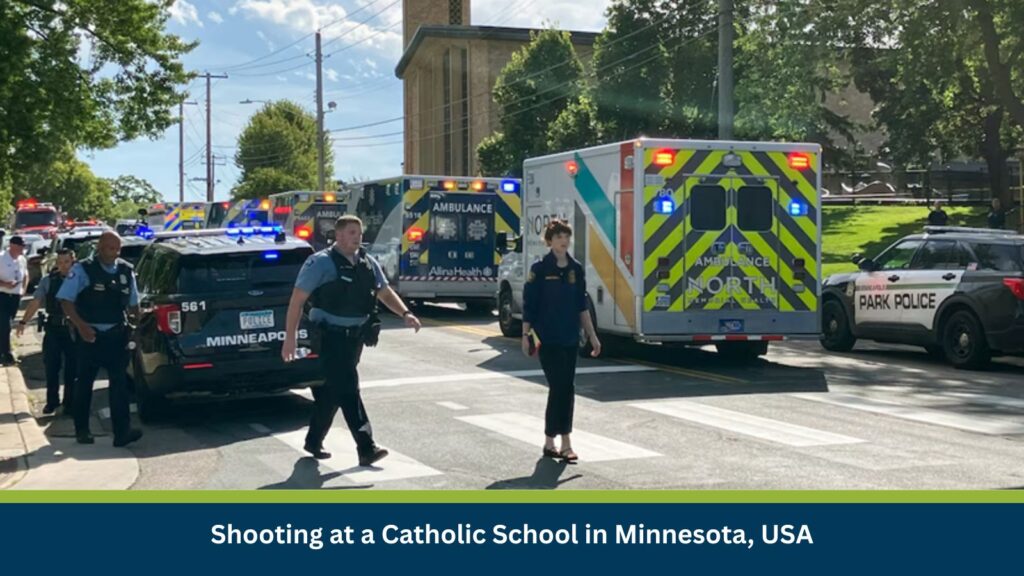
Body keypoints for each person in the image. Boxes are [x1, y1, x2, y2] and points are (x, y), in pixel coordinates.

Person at [282, 215, 422, 465]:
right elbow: (297, 300)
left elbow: (384, 291)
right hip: (330, 336)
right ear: (338, 235)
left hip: (356, 339)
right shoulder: (320, 263)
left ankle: (313, 440)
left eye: (358, 232)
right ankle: (366, 447)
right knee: (348, 388)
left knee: (333, 391)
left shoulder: (367, 262)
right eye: (350, 232)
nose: (356, 237)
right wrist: (289, 339)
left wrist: (406, 313)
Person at [521, 219, 601, 463]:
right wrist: (525, 335)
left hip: (569, 337)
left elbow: (581, 306)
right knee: (559, 387)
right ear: (549, 241)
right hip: (546, 337)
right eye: (558, 237)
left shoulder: (575, 269)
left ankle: (557, 442)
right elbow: (529, 306)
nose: (563, 241)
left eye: (566, 237)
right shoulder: (540, 269)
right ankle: (557, 439)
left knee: (567, 388)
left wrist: (593, 336)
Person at [57, 231, 142, 447]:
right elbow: (66, 301)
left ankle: (122, 432)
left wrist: (137, 323)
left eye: (117, 249)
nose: (114, 253)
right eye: (110, 248)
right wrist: (81, 326)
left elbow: (133, 304)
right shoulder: (83, 270)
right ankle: (82, 430)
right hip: (90, 337)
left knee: (119, 384)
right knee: (84, 384)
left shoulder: (125, 271)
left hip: (117, 335)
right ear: (100, 248)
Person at [17, 248, 77, 415]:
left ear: (73, 261)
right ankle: (52, 401)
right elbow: (36, 301)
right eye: (60, 262)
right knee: (51, 366)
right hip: (54, 328)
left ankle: (70, 403)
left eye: (66, 262)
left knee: (73, 368)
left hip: (74, 329)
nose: (63, 266)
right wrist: (23, 321)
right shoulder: (49, 280)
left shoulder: (80, 279)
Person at [0, 236, 29, 366]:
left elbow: (26, 275)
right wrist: (4, 284)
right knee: (4, 325)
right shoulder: (1, 258)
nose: (23, 248)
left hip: (15, 296)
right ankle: (5, 353)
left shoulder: (22, 259)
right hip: (2, 295)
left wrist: (23, 289)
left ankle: (4, 350)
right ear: (12, 245)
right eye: (20, 246)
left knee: (8, 324)